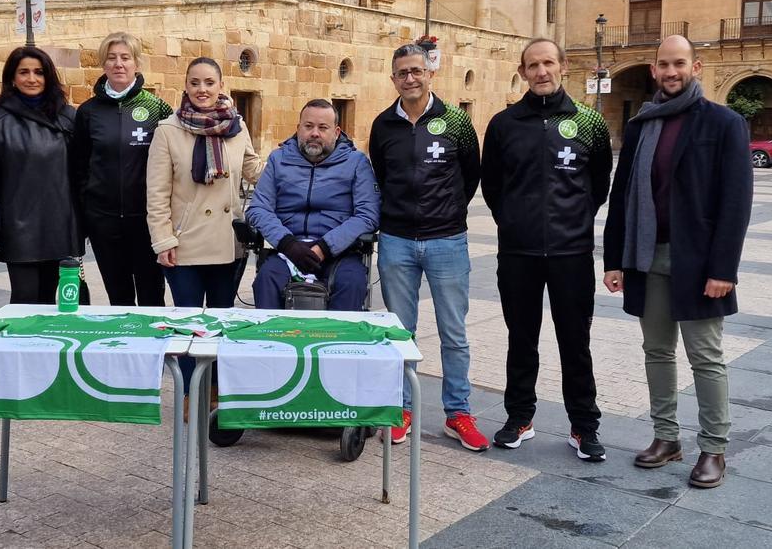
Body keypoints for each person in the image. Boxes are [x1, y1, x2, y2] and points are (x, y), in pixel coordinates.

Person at [603, 35, 753, 488]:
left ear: (696, 66)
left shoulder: (723, 123)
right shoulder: (640, 125)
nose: (671, 72)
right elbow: (621, 193)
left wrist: (723, 269)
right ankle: (666, 438)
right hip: (647, 257)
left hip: (699, 261)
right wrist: (615, 259)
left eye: (679, 63)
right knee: (656, 351)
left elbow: (736, 200)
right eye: (664, 64)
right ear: (653, 70)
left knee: (706, 356)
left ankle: (714, 448)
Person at [481, 38, 612, 462]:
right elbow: (492, 186)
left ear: (563, 66)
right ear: (522, 72)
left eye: (548, 63)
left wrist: (571, 224)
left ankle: (583, 426)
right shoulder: (503, 124)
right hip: (517, 253)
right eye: (533, 65)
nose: (541, 71)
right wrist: (517, 223)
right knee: (521, 339)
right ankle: (519, 417)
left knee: (575, 341)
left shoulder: (589, 122)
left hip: (571, 254)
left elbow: (599, 185)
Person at [368, 43, 488, 452]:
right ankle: (401, 408)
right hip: (397, 241)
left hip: (446, 241)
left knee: (454, 333)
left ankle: (458, 413)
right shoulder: (384, 124)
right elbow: (381, 176)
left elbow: (471, 174)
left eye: (417, 70)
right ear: (393, 79)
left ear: (430, 73)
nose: (410, 78)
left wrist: (448, 211)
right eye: (402, 72)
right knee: (401, 333)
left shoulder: (455, 121)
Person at [146, 56, 261, 394]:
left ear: (220, 86)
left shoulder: (236, 127)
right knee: (189, 325)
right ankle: (188, 392)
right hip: (184, 245)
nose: (202, 89)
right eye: (195, 82)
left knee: (221, 321)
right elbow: (156, 193)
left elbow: (253, 167)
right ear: (185, 86)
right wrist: (163, 240)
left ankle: (215, 390)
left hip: (227, 244)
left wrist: (296, 164)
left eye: (209, 82)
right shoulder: (168, 130)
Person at [245, 99, 379, 310]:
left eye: (322, 128)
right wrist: (289, 245)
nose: (314, 133)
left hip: (339, 251)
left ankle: (339, 342)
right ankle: (272, 341)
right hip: (288, 248)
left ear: (336, 132)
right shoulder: (278, 160)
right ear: (298, 129)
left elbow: (367, 215)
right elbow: (258, 209)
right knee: (266, 280)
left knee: (352, 283)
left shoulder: (356, 163)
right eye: (308, 126)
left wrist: (325, 247)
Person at [0, 46, 82, 305]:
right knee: (23, 300)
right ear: (12, 77)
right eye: (24, 72)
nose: (31, 79)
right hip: (19, 226)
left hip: (60, 224)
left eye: (39, 72)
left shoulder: (68, 117)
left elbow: (83, 172)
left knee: (49, 301)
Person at [70, 32, 172, 306]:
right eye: (112, 58)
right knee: (119, 297)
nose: (118, 64)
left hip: (146, 221)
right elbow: (79, 167)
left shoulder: (156, 108)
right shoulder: (88, 112)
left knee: (152, 296)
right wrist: (86, 215)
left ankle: (155, 347)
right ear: (103, 65)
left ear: (136, 64)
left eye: (125, 58)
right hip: (104, 221)